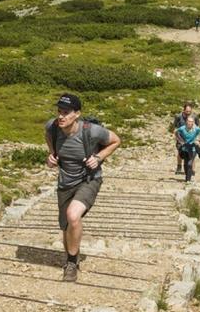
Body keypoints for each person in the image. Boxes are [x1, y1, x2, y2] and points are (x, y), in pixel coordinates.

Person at [45, 93, 121, 283]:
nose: (61, 116)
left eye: (66, 112)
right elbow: (49, 140)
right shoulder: (52, 127)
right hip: (65, 183)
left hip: (89, 179)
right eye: (59, 112)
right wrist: (51, 156)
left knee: (73, 215)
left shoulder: (92, 131)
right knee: (66, 226)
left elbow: (116, 140)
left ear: (77, 114)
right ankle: (73, 256)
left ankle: (71, 264)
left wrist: (99, 157)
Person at [176, 116, 200, 183]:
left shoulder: (196, 129)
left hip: (193, 148)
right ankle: (187, 176)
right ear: (186, 122)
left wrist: (199, 140)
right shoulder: (182, 128)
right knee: (186, 163)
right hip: (185, 147)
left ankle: (188, 180)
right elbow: (175, 132)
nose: (190, 123)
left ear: (193, 123)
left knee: (189, 163)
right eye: (189, 121)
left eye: (191, 122)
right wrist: (180, 140)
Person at [172, 103, 198, 174]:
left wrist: (197, 138)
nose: (188, 113)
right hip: (180, 138)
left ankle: (192, 169)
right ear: (184, 110)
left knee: (192, 153)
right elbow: (174, 127)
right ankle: (179, 166)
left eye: (189, 111)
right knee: (180, 152)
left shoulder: (194, 117)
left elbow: (197, 127)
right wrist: (176, 135)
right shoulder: (178, 117)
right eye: (187, 111)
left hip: (191, 138)